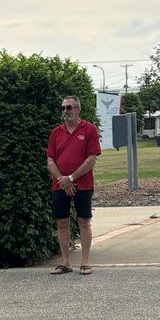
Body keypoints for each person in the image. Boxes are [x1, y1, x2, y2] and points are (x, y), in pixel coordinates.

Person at [46, 95, 101, 275]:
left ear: (78, 109)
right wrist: (63, 179)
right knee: (62, 222)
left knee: (83, 221)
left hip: (83, 184)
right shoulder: (56, 132)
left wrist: (71, 177)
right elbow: (50, 160)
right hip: (60, 185)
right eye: (63, 108)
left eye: (69, 108)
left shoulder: (89, 129)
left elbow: (91, 159)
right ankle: (66, 262)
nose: (65, 112)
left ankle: (85, 262)